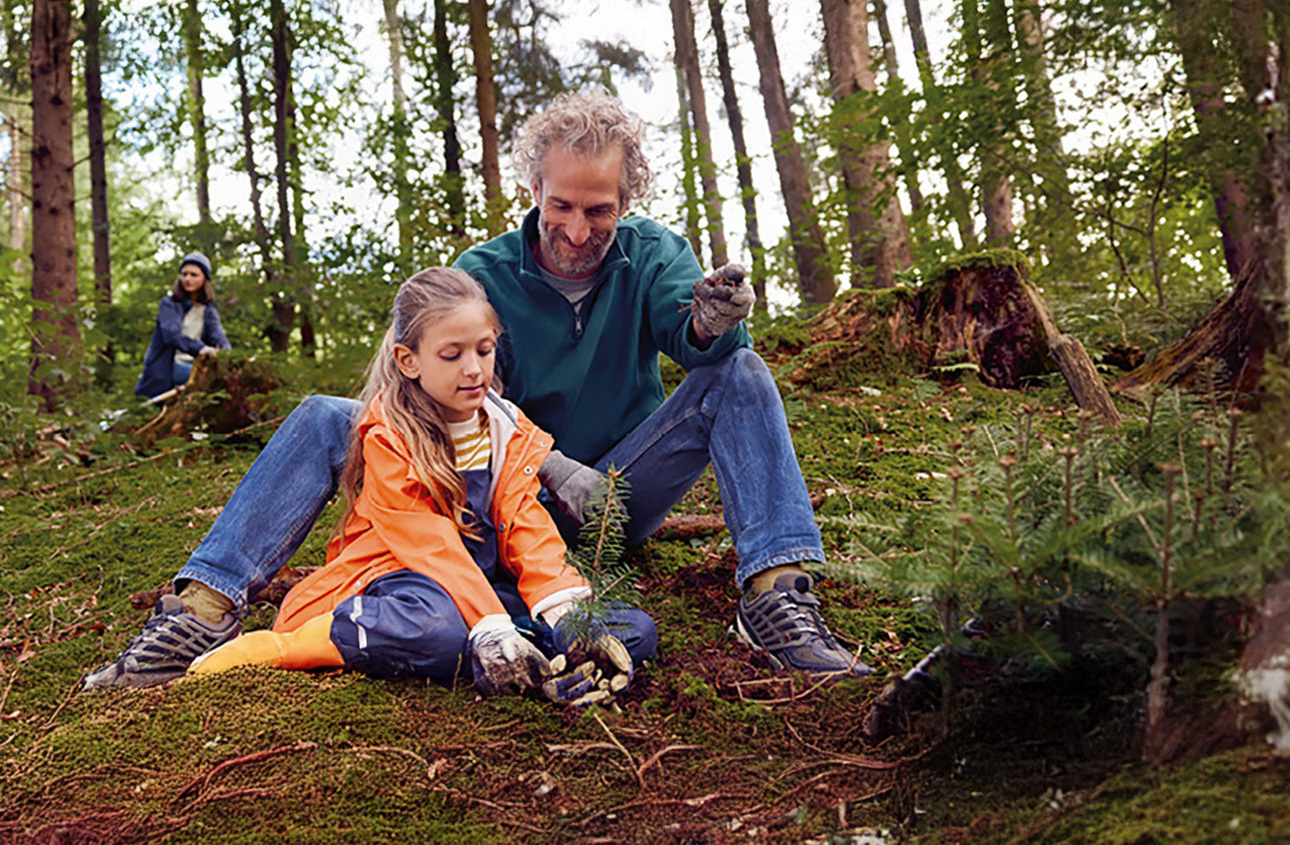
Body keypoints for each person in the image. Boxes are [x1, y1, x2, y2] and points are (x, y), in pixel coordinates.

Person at [84, 90, 869, 692]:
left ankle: (775, 597)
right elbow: (443, 395)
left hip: (610, 499)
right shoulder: (483, 273)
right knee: (330, 416)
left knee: (740, 371)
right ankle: (201, 612)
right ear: (534, 186)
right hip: (489, 502)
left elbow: (690, 332)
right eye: (560, 204)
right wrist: (549, 463)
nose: (576, 227)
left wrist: (709, 322)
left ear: (626, 202)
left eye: (600, 210)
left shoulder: (654, 252)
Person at [185, 268, 652, 698]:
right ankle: (285, 647)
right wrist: (489, 624)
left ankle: (538, 663)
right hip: (406, 580)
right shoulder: (389, 434)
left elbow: (527, 528)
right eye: (452, 355)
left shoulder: (509, 429)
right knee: (437, 630)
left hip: (487, 584)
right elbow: (429, 544)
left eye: (484, 350)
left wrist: (567, 616)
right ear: (409, 361)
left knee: (632, 629)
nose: (474, 369)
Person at [134, 251, 231, 399]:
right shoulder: (169, 305)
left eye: (194, 275)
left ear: (204, 278)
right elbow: (171, 334)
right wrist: (202, 349)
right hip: (167, 369)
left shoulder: (208, 311)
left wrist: (229, 357)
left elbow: (219, 337)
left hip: (195, 367)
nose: (187, 279)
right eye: (184, 274)